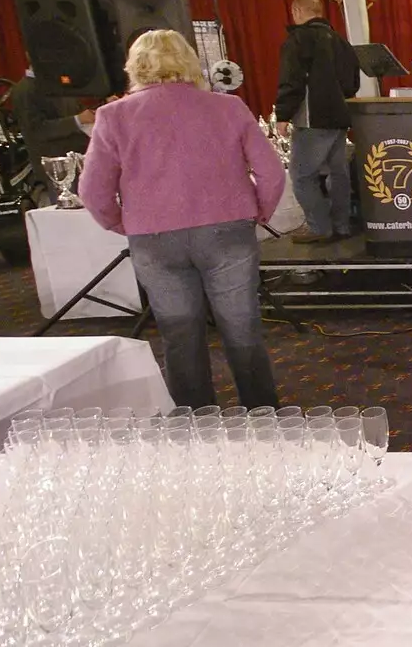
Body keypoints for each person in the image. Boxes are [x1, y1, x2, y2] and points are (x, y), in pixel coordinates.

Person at [80, 29, 285, 409]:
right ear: (190, 61)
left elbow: (92, 192)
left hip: (154, 238)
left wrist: (120, 223)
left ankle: (197, 425)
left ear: (135, 66)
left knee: (179, 335)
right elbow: (272, 173)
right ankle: (264, 418)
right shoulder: (229, 108)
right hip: (228, 230)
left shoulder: (112, 116)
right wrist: (259, 211)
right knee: (243, 330)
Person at [275, 0, 361, 243]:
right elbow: (352, 82)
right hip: (340, 116)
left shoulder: (299, 40)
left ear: (297, 11)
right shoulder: (341, 42)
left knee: (302, 176)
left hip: (313, 118)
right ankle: (341, 225)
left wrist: (283, 114)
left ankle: (319, 227)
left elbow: (291, 79)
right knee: (338, 173)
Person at [9, 69, 95, 198]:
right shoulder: (25, 90)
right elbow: (36, 130)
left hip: (76, 162)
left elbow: (80, 112)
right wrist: (77, 120)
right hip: (56, 169)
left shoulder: (58, 84)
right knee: (67, 214)